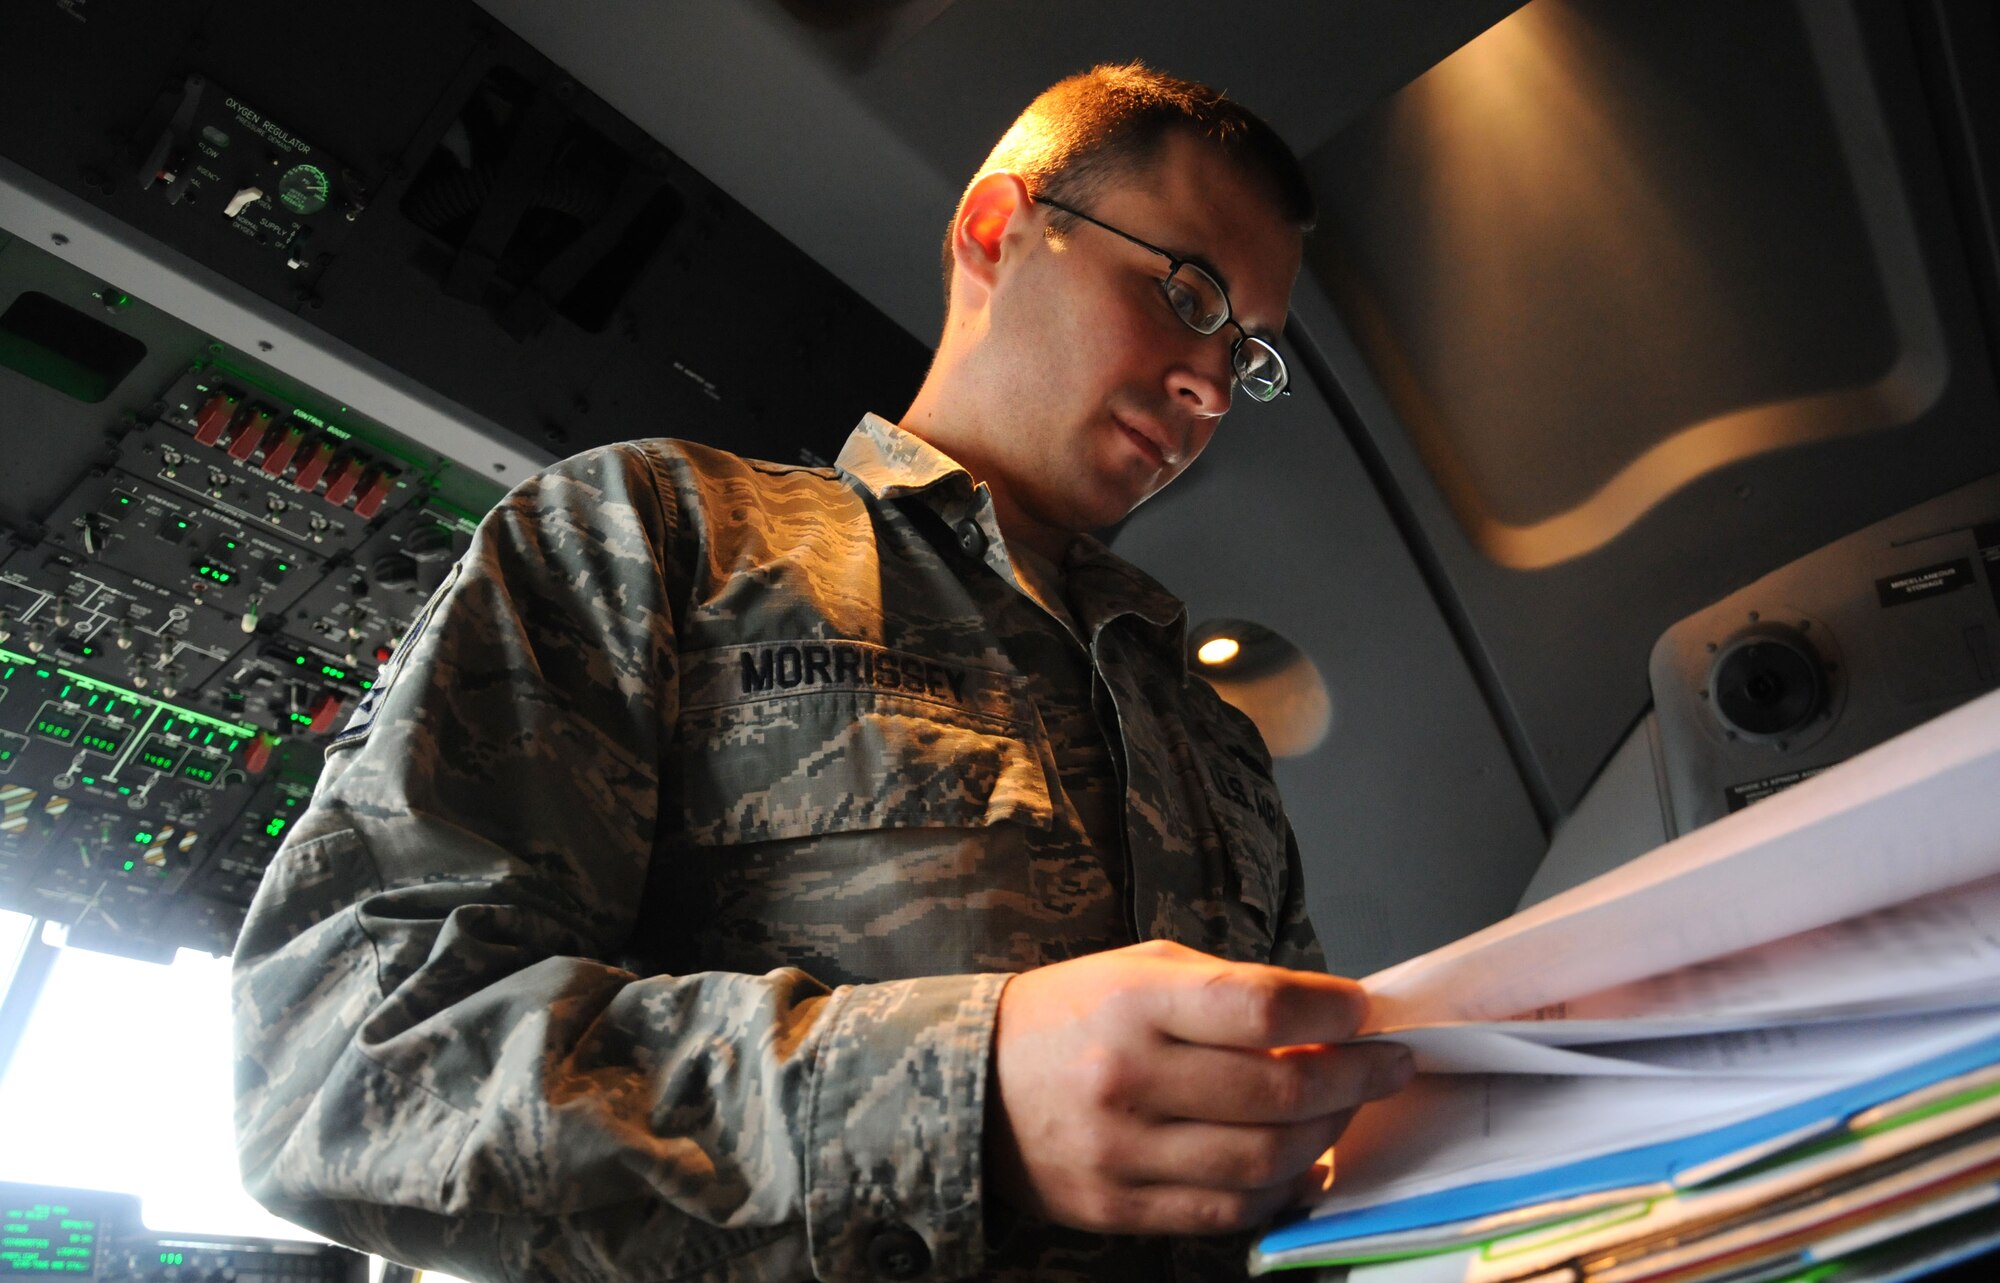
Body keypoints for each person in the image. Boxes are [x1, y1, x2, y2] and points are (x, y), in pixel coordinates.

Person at [232, 62, 1414, 1283]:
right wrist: (960, 1094)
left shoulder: (1207, 734)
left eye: (1248, 355)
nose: (1210, 385)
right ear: (996, 231)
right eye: (1187, 293)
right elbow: (344, 1066)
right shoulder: (657, 534)